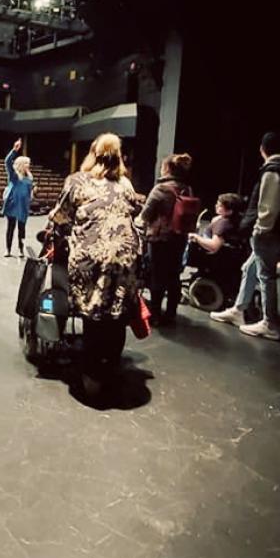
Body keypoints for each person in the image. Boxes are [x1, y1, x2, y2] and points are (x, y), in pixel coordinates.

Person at [49, 133, 142, 392]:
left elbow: (60, 216)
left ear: (92, 154)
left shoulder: (77, 181)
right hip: (125, 257)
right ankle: (111, 367)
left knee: (93, 314)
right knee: (117, 314)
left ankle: (92, 375)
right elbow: (134, 211)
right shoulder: (125, 183)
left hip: (91, 257)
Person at [210, 132, 280, 340]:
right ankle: (238, 310)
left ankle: (269, 324)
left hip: (267, 233)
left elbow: (269, 206)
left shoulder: (273, 170)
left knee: (266, 276)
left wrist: (260, 230)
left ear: (264, 149)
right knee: (248, 269)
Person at [141, 153, 194, 325]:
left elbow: (146, 214)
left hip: (159, 239)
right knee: (174, 276)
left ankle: (155, 315)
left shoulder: (161, 189)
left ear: (167, 168)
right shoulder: (187, 188)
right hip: (179, 238)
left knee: (157, 276)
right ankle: (171, 314)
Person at [2, 138, 33, 258]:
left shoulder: (29, 178)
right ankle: (8, 249)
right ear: (21, 164)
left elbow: (28, 191)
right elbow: (7, 162)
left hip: (23, 206)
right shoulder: (14, 176)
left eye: (28, 163)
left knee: (22, 229)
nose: (28, 165)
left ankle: (21, 249)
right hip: (13, 205)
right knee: (10, 228)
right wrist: (14, 150)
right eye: (26, 163)